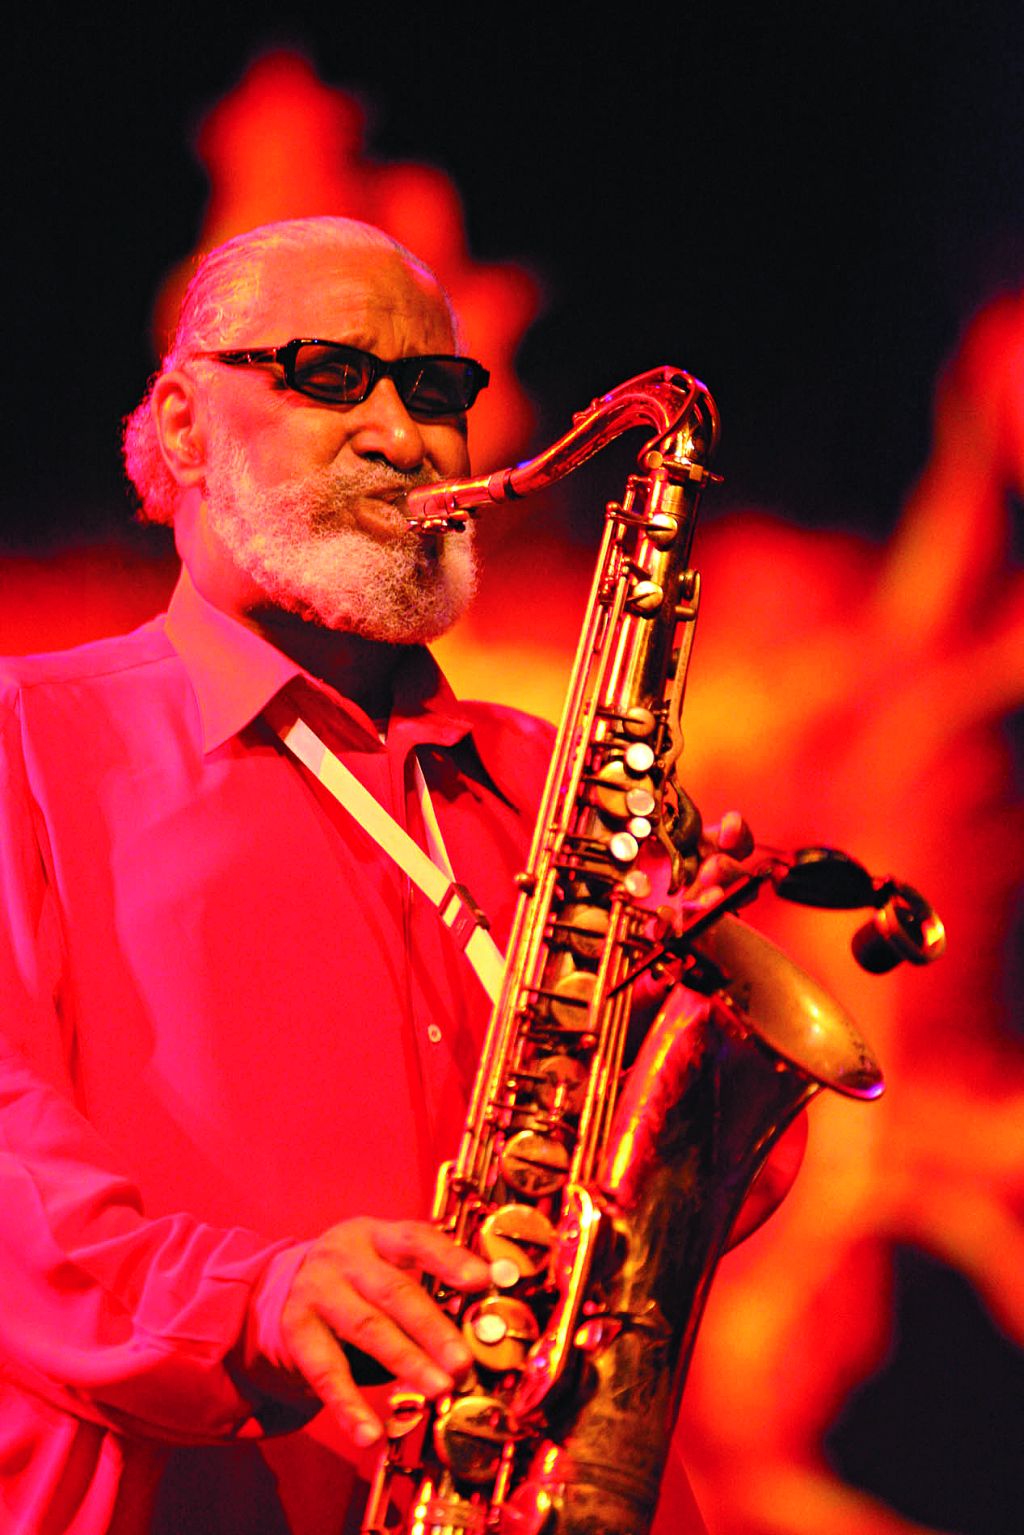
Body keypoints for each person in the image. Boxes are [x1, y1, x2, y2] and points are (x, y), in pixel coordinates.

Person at [0, 216, 750, 1534]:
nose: (404, 437)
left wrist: (705, 1022)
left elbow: (668, 1211)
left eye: (437, 390)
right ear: (183, 427)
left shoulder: (561, 780)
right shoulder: (26, 740)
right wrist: (257, 1301)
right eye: (331, 377)